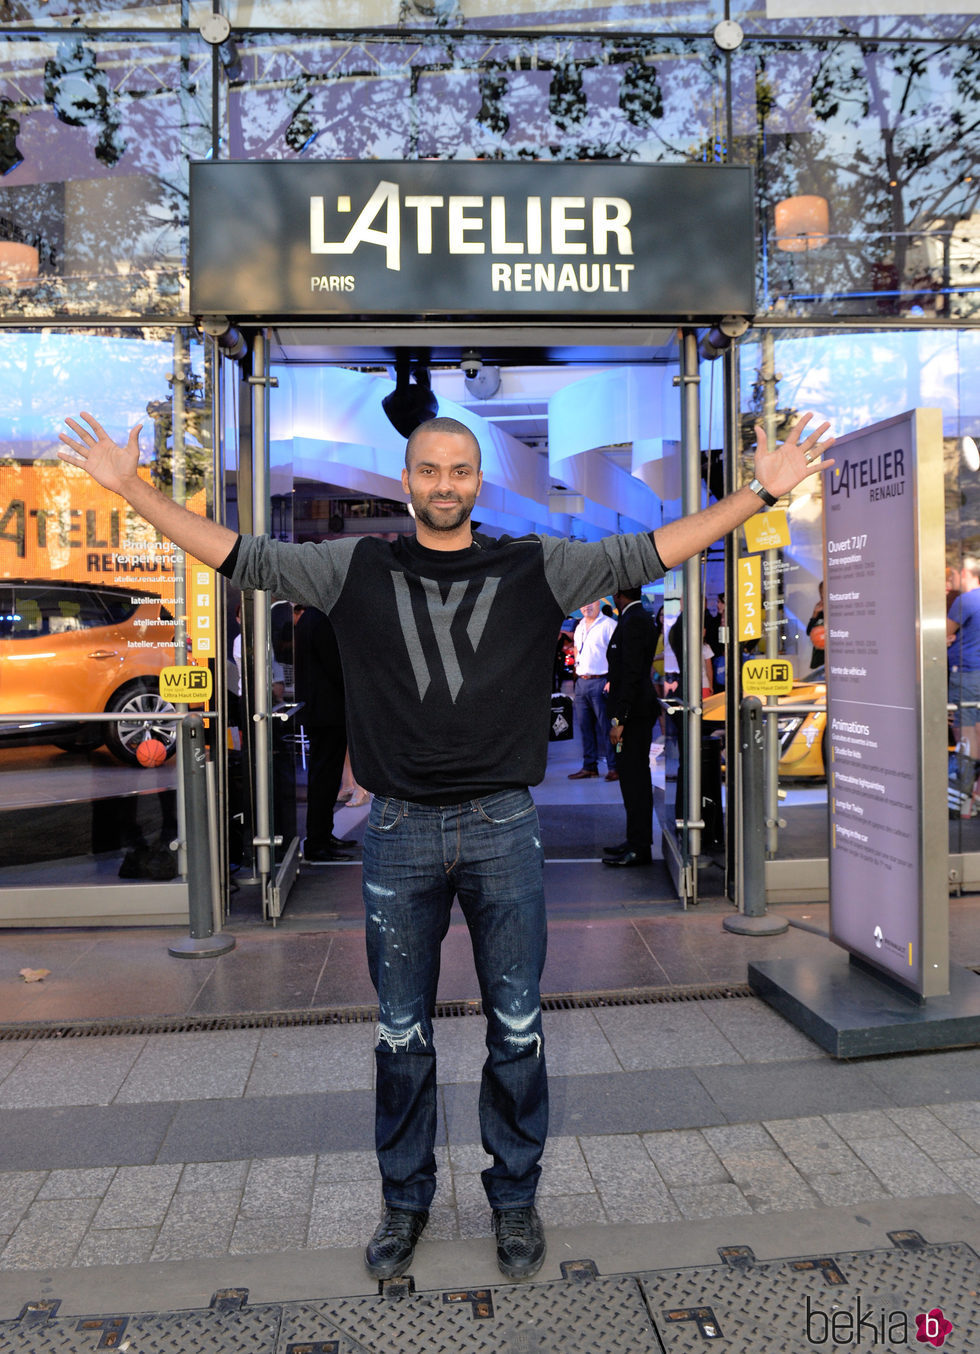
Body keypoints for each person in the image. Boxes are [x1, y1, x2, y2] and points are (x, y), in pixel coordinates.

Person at [58, 407, 833, 1284]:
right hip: (397, 835)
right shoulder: (354, 567)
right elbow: (241, 554)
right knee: (400, 1035)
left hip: (503, 826)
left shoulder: (536, 566)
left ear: (478, 481)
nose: (445, 484)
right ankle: (405, 1201)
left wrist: (760, 492)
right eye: (429, 470)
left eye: (460, 470)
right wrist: (132, 490)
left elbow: (651, 549)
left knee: (518, 1028)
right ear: (407, 479)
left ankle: (514, 1200)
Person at [602, 587, 661, 867]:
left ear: (618, 593)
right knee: (631, 780)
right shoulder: (636, 616)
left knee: (635, 781)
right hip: (634, 711)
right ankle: (635, 840)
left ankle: (639, 847)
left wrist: (619, 719)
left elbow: (632, 673)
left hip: (634, 714)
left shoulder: (635, 619)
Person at [293, 605, 356, 862]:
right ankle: (318, 842)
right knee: (324, 779)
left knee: (324, 778)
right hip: (327, 712)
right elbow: (335, 666)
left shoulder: (309, 618)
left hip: (321, 710)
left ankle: (322, 836)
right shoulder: (321, 619)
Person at [568, 599, 618, 781]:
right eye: (583, 603)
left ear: (599, 603)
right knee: (585, 727)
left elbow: (618, 654)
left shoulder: (609, 625)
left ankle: (614, 767)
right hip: (582, 681)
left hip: (601, 681)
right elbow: (576, 648)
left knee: (607, 727)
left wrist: (612, 679)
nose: (586, 606)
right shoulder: (580, 625)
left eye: (591, 603)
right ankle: (589, 766)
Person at [948, 557, 980, 815]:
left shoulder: (965, 601)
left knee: (967, 739)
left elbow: (942, 634)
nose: (950, 581)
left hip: (967, 674)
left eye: (952, 576)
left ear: (965, 573)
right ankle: (975, 796)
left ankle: (963, 800)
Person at [806, 580, 825, 669]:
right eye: (821, 592)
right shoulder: (819, 611)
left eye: (824, 592)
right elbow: (809, 632)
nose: (822, 595)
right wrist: (815, 614)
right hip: (819, 660)